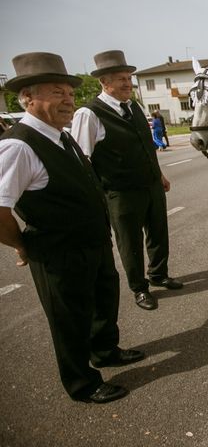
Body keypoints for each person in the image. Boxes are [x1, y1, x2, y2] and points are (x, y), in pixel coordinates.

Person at [0, 52, 144, 403]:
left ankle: (105, 351)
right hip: (58, 253)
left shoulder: (60, 136)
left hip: (92, 244)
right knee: (70, 319)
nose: (68, 100)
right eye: (56, 92)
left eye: (69, 92)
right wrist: (21, 244)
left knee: (101, 303)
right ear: (28, 98)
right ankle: (82, 383)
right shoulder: (17, 145)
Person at [71, 50, 183, 311]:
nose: (127, 84)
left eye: (128, 78)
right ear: (103, 82)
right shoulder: (89, 114)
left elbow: (145, 146)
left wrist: (160, 176)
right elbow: (82, 160)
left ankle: (158, 274)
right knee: (129, 243)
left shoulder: (134, 106)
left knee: (158, 234)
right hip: (120, 192)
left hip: (151, 185)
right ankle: (139, 288)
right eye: (120, 79)